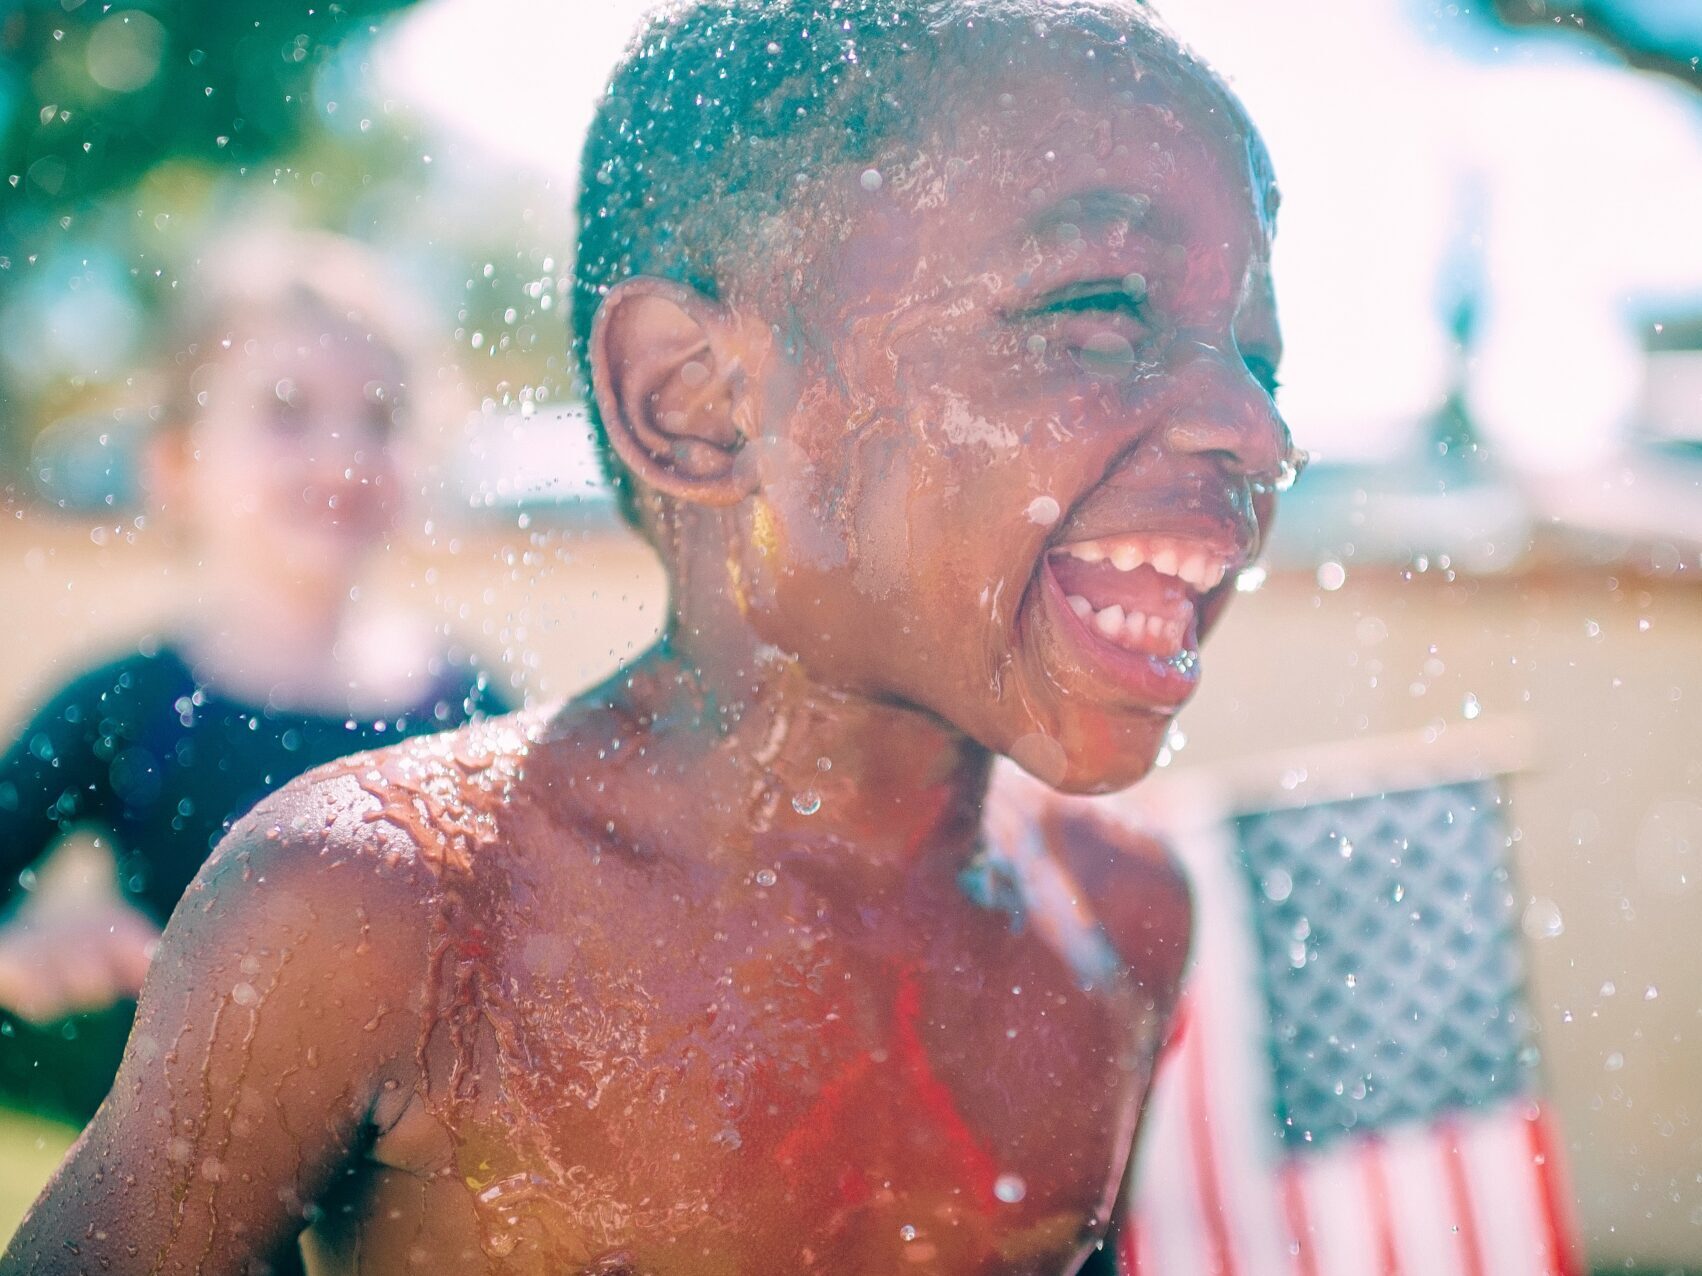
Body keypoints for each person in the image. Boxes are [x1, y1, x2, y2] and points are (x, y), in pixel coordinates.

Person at [4, 1, 1294, 1270]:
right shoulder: (391, 905)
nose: (1257, 428)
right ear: (697, 400)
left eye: (1258, 357)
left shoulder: (1120, 920)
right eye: (1100, 308)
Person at [0, 226, 508, 1122]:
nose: (341, 453)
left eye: (380, 418)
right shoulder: (128, 707)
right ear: (179, 464)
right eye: (286, 407)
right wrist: (19, 950)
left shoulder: (471, 715)